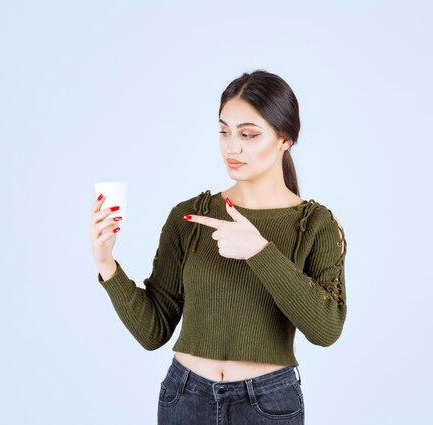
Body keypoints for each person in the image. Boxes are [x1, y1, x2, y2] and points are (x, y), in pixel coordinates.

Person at [89, 70, 347, 424]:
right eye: (224, 131)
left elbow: (325, 329)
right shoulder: (190, 217)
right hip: (185, 398)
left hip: (267, 404)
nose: (232, 147)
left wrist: (260, 251)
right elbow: (153, 331)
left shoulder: (316, 225)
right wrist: (106, 263)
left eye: (248, 134)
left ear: (285, 139)